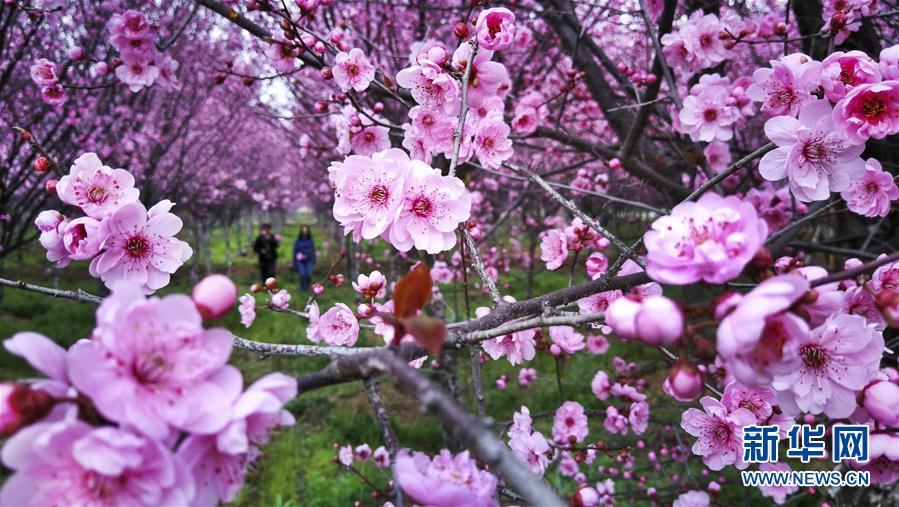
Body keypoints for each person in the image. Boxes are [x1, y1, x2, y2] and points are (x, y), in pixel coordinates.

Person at [293, 226, 316, 291]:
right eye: (303, 231)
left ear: (308, 232)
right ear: (301, 232)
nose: (305, 232)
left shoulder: (310, 241)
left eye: (306, 231)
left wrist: (314, 260)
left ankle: (307, 286)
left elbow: (313, 251)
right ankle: (302, 287)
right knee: (302, 274)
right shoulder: (298, 241)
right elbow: (295, 251)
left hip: (309, 260)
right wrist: (294, 262)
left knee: (308, 274)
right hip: (300, 260)